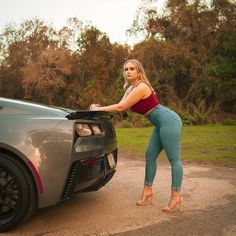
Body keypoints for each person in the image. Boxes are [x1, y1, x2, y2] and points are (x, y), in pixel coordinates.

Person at [90, 59, 184, 213]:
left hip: (169, 121)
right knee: (150, 155)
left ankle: (176, 195)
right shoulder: (130, 89)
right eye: (126, 69)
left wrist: (97, 110)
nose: (128, 71)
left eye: (132, 68)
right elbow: (120, 105)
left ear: (138, 71)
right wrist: (99, 108)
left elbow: (120, 108)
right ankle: (147, 190)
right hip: (160, 124)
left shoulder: (141, 87)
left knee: (174, 160)